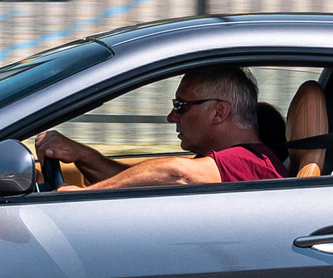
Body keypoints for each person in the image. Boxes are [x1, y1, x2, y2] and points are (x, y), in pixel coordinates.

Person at [35, 65, 284, 190]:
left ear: (219, 112)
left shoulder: (251, 161)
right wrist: (84, 156)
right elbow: (142, 184)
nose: (171, 117)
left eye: (181, 105)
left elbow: (176, 173)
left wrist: (82, 198)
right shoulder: (225, 164)